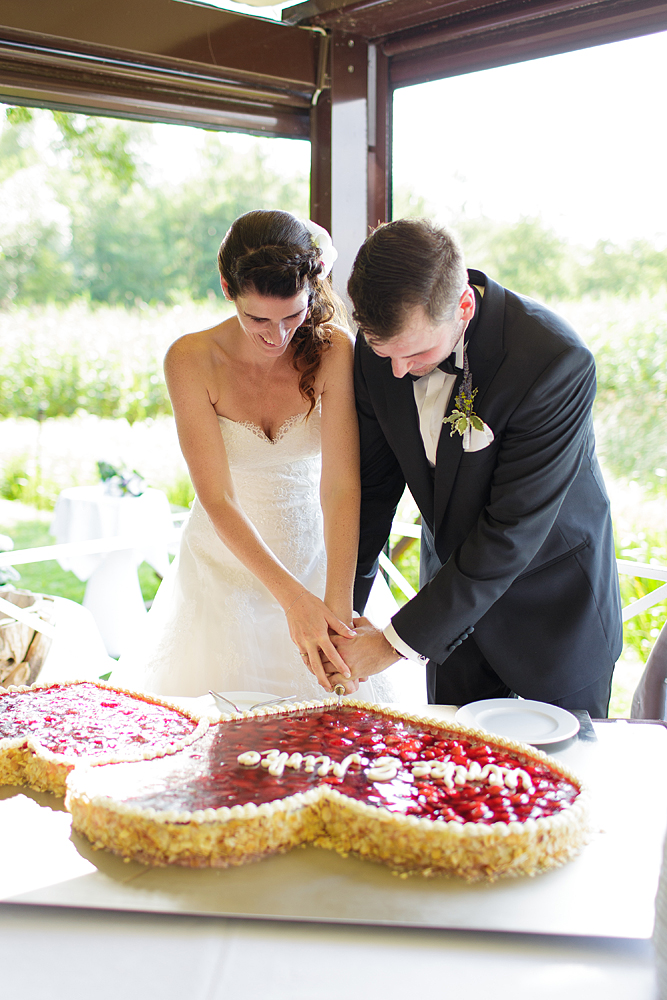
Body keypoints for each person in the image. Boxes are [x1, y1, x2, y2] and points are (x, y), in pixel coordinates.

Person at [326, 218, 622, 718]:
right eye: (384, 352)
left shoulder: (554, 362)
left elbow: (511, 531)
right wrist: (341, 611)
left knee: (558, 782)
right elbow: (374, 490)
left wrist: (392, 643)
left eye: (416, 353)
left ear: (464, 306)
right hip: (449, 616)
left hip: (554, 611)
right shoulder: (382, 352)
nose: (398, 371)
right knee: (450, 781)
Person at [113, 210, 402, 702]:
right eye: (258, 319)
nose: (278, 335)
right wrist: (294, 601)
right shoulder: (190, 360)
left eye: (294, 315)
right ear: (228, 288)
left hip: (319, 556)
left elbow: (340, 486)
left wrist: (336, 604)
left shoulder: (333, 349)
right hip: (222, 571)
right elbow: (217, 496)